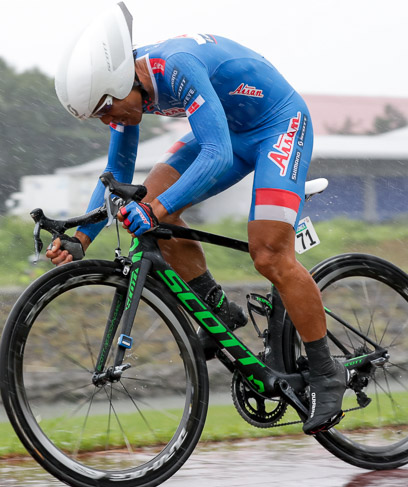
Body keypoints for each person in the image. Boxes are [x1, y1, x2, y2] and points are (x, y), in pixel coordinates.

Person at [47, 2, 347, 435]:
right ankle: (217, 310)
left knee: (269, 256)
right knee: (148, 209)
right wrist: (83, 237)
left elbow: (217, 154)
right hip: (229, 130)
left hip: (277, 125)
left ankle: (326, 370)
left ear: (120, 83)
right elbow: (117, 174)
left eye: (108, 110)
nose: (108, 120)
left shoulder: (176, 67)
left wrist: (155, 208)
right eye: (100, 116)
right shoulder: (128, 91)